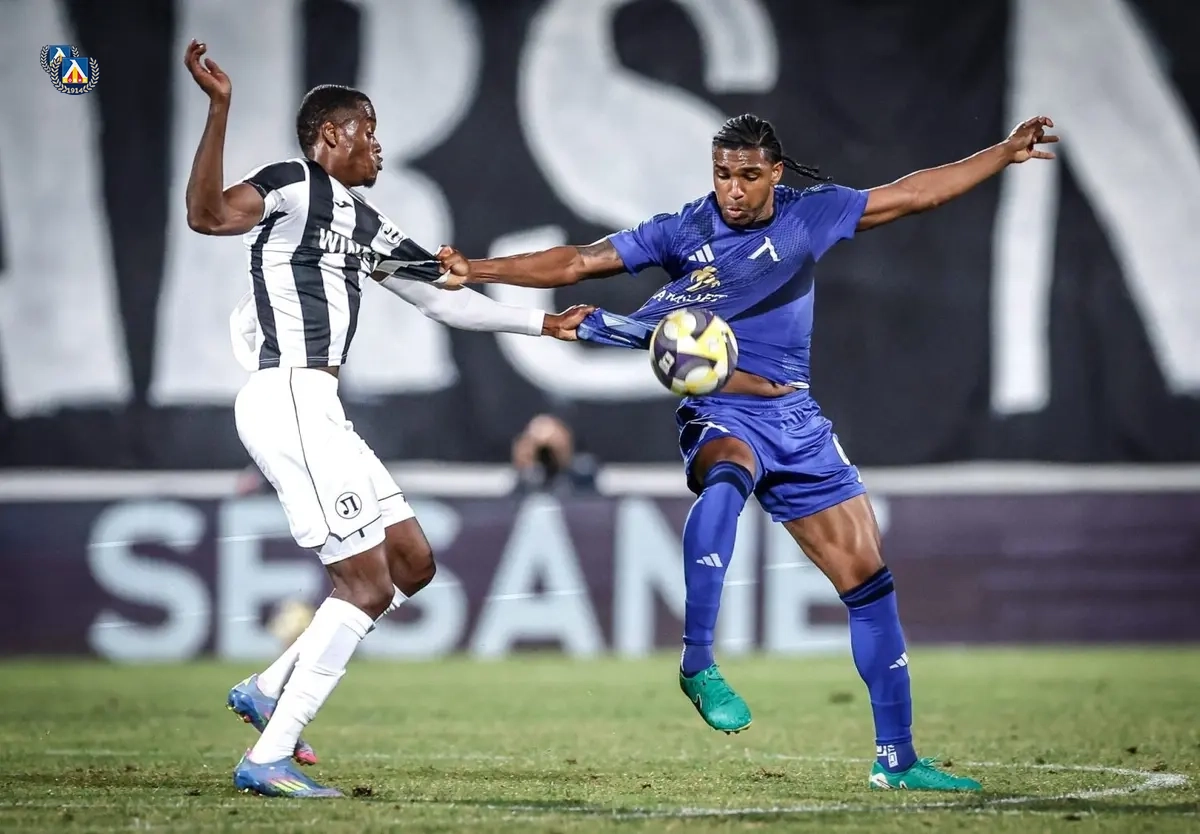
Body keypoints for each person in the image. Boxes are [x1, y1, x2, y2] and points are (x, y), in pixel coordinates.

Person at [436, 112, 1059, 792]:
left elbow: (913, 194)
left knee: (870, 584)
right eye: (722, 175)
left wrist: (1003, 153)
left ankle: (898, 761)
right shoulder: (685, 229)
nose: (733, 190)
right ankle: (698, 662)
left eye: (748, 176)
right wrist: (478, 270)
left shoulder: (809, 216)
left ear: (776, 173)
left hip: (796, 418)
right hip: (720, 408)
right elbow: (581, 260)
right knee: (728, 473)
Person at [182, 40, 589, 798]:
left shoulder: (364, 223)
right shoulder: (293, 183)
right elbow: (207, 215)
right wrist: (220, 109)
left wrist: (544, 324)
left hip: (318, 408)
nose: (378, 144)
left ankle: (268, 687)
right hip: (288, 396)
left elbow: (446, 300)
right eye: (367, 129)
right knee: (364, 585)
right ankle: (269, 755)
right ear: (330, 134)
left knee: (409, 563)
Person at [511, 413, 599, 495]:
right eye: (541, 451)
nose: (546, 457)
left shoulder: (582, 478)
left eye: (550, 452)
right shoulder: (520, 483)